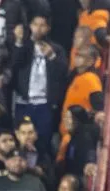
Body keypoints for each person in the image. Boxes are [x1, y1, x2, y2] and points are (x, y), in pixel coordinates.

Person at [10, 16, 68, 148]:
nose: (38, 28)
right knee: (22, 142)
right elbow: (14, 64)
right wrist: (18, 41)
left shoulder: (56, 49)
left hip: (44, 104)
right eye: (35, 24)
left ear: (48, 29)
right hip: (24, 102)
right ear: (30, 26)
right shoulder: (24, 46)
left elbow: (63, 72)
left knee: (43, 141)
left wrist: (51, 56)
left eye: (42, 25)